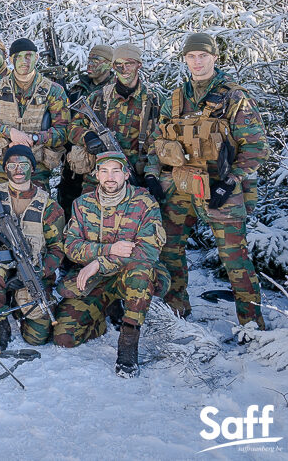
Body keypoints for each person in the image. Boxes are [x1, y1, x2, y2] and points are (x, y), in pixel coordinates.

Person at [144, 32, 268, 329]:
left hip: (220, 187)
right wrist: (152, 174)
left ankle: (252, 325)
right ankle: (176, 311)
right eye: (191, 57)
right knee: (169, 248)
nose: (197, 62)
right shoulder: (175, 98)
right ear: (185, 60)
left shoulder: (233, 96)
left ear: (214, 58)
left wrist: (232, 180)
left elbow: (256, 146)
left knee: (235, 258)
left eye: (203, 56)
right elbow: (156, 142)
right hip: (180, 185)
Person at [52, 152, 169, 377]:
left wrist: (98, 263)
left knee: (141, 271)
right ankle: (105, 312)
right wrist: (108, 250)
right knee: (64, 337)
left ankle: (128, 341)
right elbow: (72, 246)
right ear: (96, 175)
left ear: (126, 174)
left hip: (131, 274)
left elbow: (147, 250)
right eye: (104, 171)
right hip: (99, 281)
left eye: (116, 170)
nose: (110, 177)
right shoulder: (82, 204)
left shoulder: (144, 202)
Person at [0, 145, 65, 350]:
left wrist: (37, 272)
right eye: (12, 165)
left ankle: (18, 308)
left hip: (30, 269)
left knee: (37, 337)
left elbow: (57, 249)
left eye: (23, 165)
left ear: (32, 169)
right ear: (6, 169)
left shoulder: (49, 206)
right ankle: (0, 326)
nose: (18, 170)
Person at [0, 38, 70, 187]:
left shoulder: (54, 91)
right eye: (18, 57)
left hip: (35, 167)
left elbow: (63, 132)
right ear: (11, 59)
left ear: (36, 57)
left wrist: (33, 138)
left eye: (28, 55)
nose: (24, 61)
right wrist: (10, 132)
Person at [66, 43, 158, 191]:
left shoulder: (152, 101)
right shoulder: (98, 97)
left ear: (139, 65)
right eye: (119, 64)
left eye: (129, 64)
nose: (124, 69)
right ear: (113, 66)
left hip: (134, 177)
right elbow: (71, 127)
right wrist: (88, 136)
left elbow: (158, 142)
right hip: (97, 178)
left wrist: (151, 175)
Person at [58, 44, 115, 218]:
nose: (90, 64)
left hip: (105, 163)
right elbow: (67, 123)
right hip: (76, 163)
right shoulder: (77, 90)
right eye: (89, 60)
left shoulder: (115, 91)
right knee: (68, 208)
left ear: (109, 65)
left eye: (96, 60)